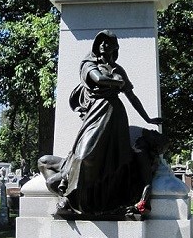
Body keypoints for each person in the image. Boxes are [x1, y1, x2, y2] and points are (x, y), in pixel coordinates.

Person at [39, 30, 162, 215]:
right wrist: (117, 83)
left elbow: (132, 96)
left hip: (116, 115)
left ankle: (103, 198)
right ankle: (70, 196)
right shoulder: (89, 64)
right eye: (101, 41)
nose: (103, 44)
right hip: (97, 111)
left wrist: (147, 118)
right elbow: (98, 79)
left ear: (115, 47)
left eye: (108, 42)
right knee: (83, 155)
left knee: (114, 161)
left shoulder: (118, 69)